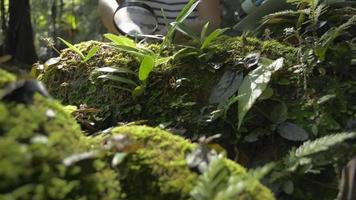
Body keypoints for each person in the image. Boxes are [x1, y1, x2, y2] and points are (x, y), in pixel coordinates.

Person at [98, 0, 220, 35]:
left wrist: (178, 31)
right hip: (132, 50)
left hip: (184, 57)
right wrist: (118, 22)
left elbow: (212, 23)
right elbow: (107, 2)